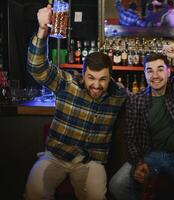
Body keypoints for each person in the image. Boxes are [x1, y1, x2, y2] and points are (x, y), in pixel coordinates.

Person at [24, 5, 128, 200]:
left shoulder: (119, 94)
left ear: (110, 77)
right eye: (91, 78)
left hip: (91, 162)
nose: (96, 85)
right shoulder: (67, 83)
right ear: (83, 74)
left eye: (103, 79)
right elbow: (36, 67)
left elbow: (142, 102)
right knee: (34, 192)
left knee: (97, 197)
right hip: (55, 157)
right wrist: (42, 30)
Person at [109, 44, 174, 200]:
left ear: (169, 71)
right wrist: (139, 163)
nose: (155, 75)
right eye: (150, 71)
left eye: (160, 69)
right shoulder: (136, 100)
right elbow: (131, 139)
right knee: (116, 185)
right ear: (145, 74)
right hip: (149, 156)